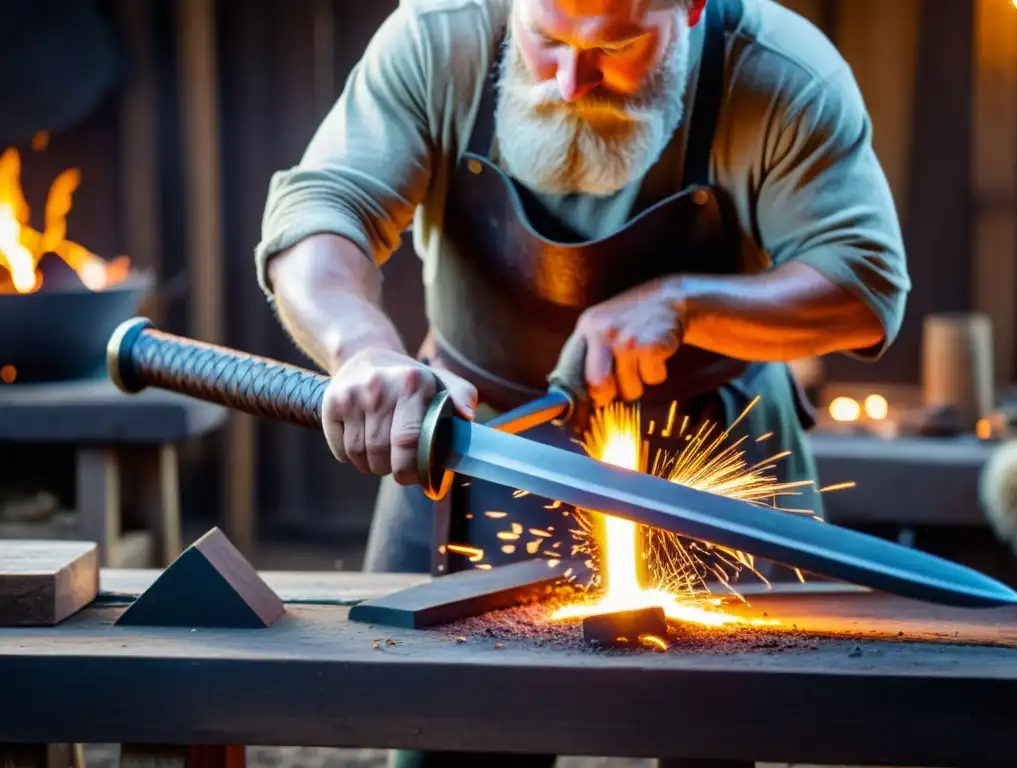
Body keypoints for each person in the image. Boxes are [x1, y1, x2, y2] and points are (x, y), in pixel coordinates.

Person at [257, 0, 909, 764]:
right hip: (478, 444)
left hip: (712, 456)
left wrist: (687, 305)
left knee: (723, 730)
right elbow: (320, 209)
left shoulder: (777, 70)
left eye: (617, 46)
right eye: (545, 40)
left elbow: (864, 284)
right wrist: (360, 349)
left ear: (692, 9)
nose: (570, 81)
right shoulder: (441, 38)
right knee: (450, 729)